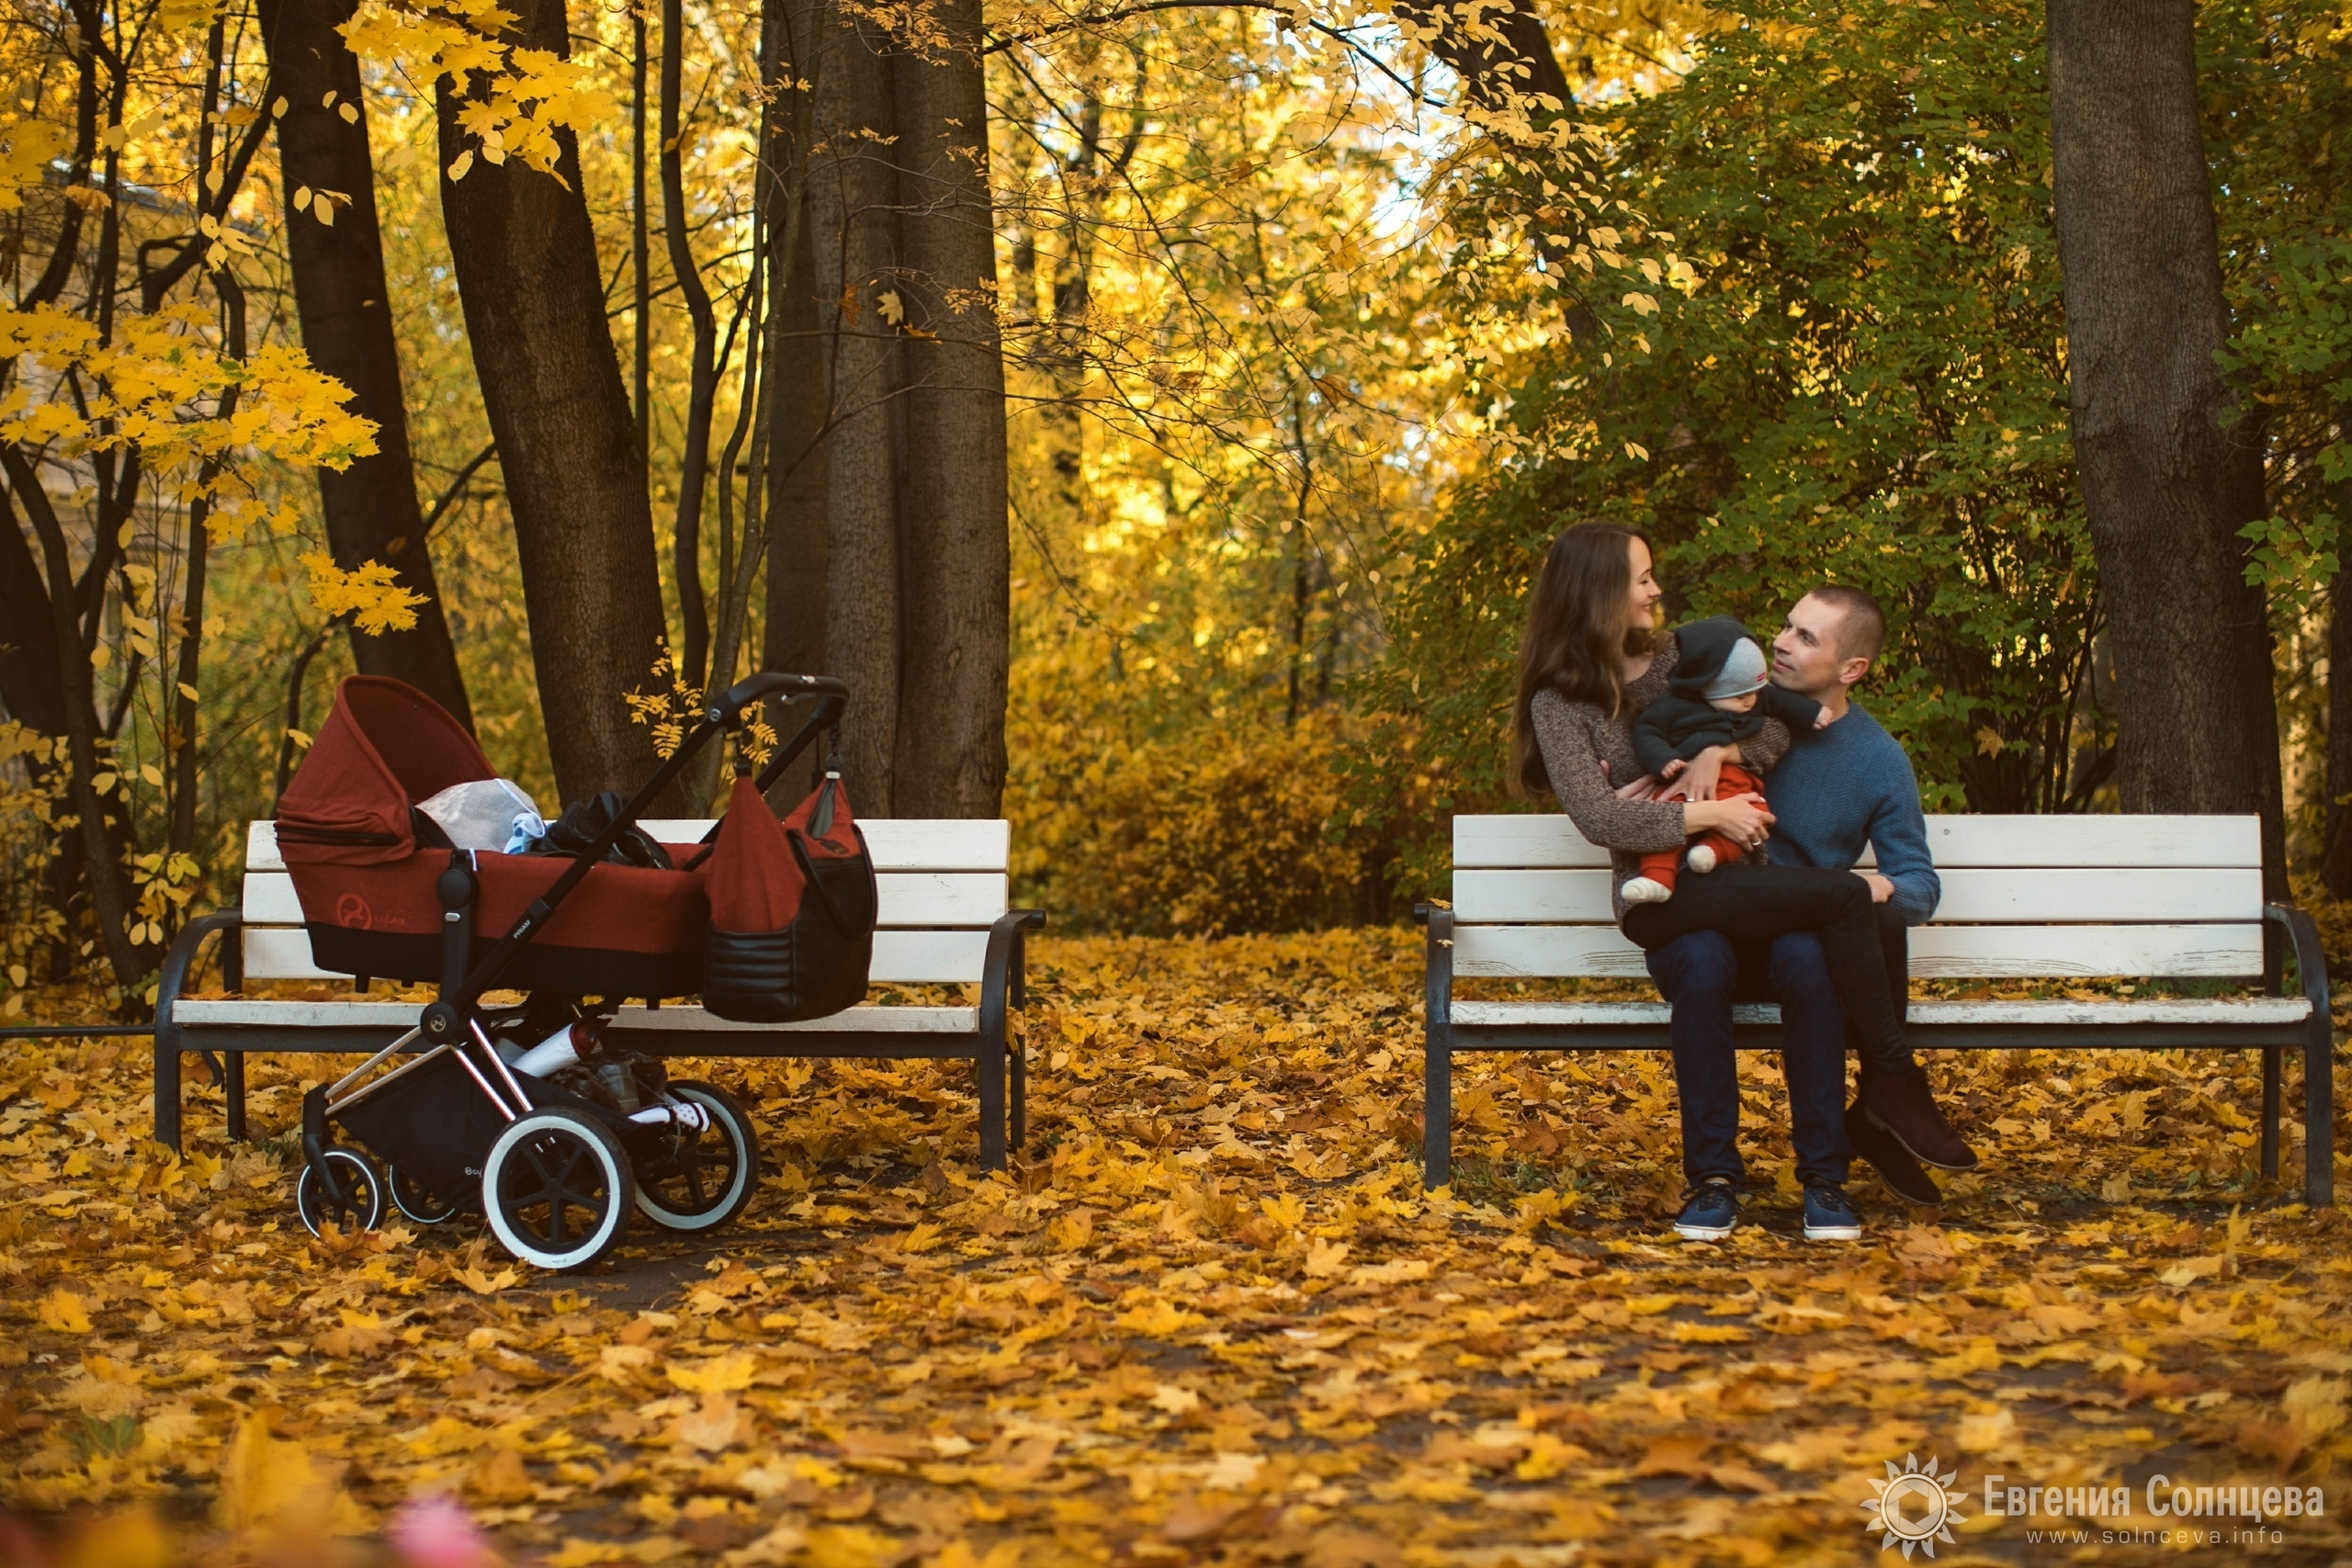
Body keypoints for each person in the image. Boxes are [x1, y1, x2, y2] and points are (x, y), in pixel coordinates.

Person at [1512, 522, 1971, 1244]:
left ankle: (1825, 1176)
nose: (1657, 589)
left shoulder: (1677, 659)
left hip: (1744, 893)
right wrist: (1711, 813)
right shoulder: (1559, 703)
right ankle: (1718, 1178)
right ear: (1599, 591)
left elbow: (1767, 725)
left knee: (1806, 956)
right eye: (1642, 577)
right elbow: (1600, 817)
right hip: (1663, 900)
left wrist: (1717, 749)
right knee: (1816, 907)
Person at [1762, 585, 1978, 1206]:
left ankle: (1866, 1121)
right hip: (1725, 935)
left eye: (1806, 636)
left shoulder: (1878, 758)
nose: (1780, 641)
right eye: (1786, 624)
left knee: (1850, 928)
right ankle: (1889, 1093)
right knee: (1824, 941)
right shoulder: (1742, 712)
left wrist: (1871, 885)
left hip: (1811, 948)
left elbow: (1919, 886)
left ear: (1852, 668)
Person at [1621, 616, 1830, 904]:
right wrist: (1662, 759)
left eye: (1753, 693)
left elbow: (1782, 707)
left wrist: (1812, 714)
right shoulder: (1673, 706)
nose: (1749, 702)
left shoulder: (1755, 696)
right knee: (1665, 826)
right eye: (1737, 696)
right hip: (1684, 784)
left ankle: (1712, 852)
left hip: (1736, 784)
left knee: (1756, 815)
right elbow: (1646, 731)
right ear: (1706, 687)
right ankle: (1657, 879)